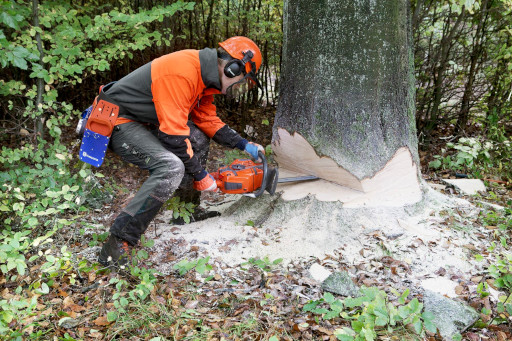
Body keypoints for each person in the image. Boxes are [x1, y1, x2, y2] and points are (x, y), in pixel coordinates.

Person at [96, 36, 265, 266]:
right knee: (171, 167)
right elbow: (174, 137)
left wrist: (244, 144)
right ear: (232, 68)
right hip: (116, 120)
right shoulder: (183, 72)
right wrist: (202, 176)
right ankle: (117, 244)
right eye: (241, 81)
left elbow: (207, 120)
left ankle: (186, 211)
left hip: (142, 120)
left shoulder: (205, 79)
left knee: (197, 138)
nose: (236, 88)